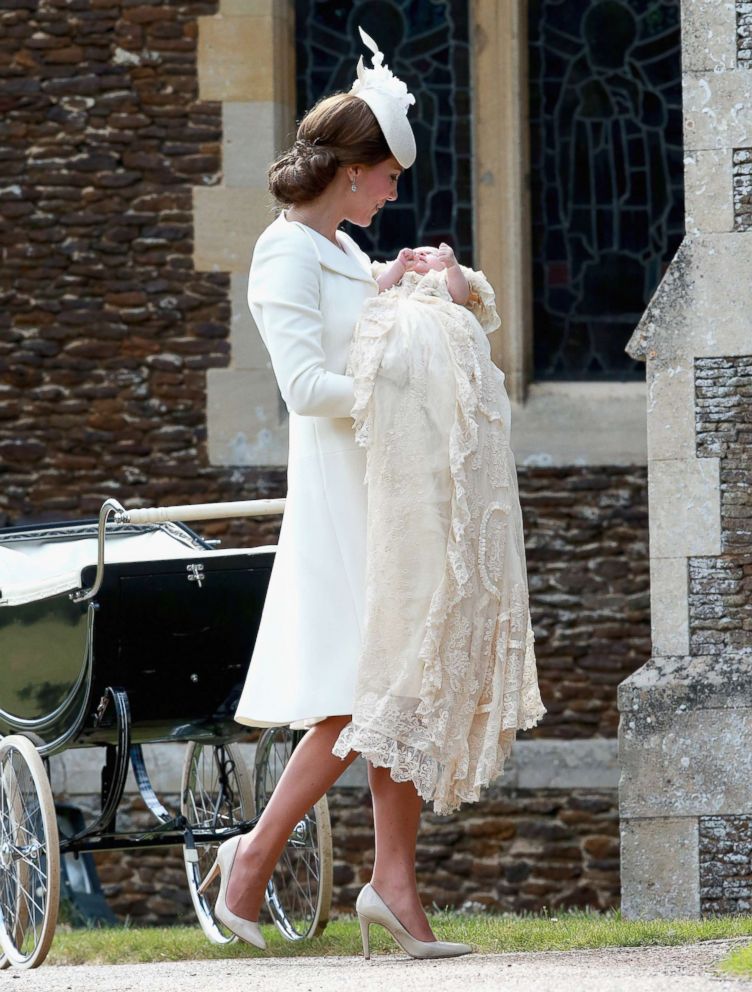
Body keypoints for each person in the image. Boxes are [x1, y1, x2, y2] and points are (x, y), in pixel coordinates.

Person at [198, 29, 473, 960]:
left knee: (396, 684)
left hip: (385, 490)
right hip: (345, 494)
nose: (395, 190)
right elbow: (307, 387)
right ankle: (251, 859)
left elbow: (363, 322)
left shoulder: (343, 250)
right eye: (389, 175)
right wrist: (396, 373)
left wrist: (401, 283)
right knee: (365, 696)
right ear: (352, 172)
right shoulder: (285, 255)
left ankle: (393, 886)